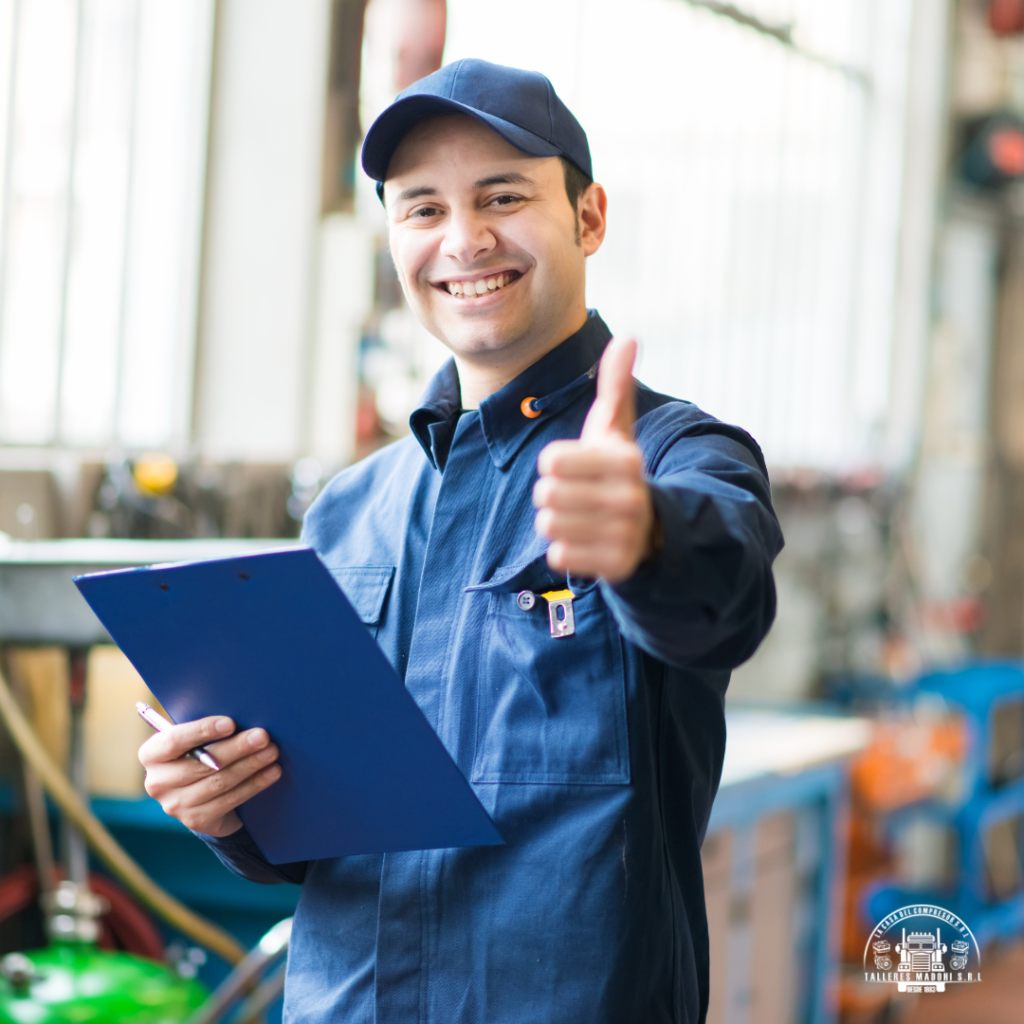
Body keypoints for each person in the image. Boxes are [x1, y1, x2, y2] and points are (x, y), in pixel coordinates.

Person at [140, 59, 783, 1024]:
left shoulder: (671, 456)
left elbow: (723, 595)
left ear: (589, 216)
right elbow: (316, 831)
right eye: (421, 209)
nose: (464, 240)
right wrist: (223, 806)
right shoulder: (350, 510)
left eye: (504, 196)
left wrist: (645, 535)